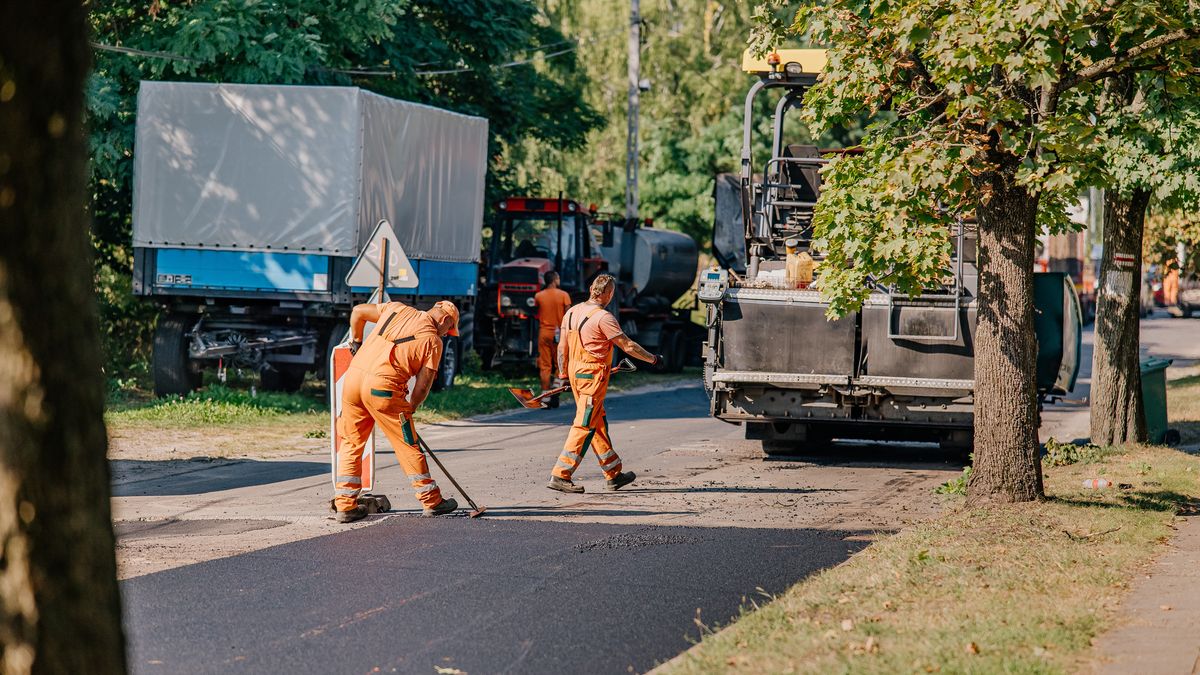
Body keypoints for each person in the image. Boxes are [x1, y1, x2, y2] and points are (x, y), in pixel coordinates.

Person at [333, 299, 460, 523]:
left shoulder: (396, 309)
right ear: (445, 320)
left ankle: (345, 505)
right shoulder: (432, 341)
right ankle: (431, 501)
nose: (447, 334)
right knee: (407, 444)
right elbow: (423, 384)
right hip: (383, 390)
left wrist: (356, 341)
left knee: (352, 442)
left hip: (352, 381)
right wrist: (411, 407)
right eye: (448, 329)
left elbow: (358, 312)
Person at [548, 274, 661, 494]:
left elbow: (562, 348)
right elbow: (628, 346)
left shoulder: (571, 312)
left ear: (591, 288)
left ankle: (613, 474)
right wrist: (653, 359)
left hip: (575, 374)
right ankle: (560, 474)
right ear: (609, 294)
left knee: (597, 422)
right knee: (584, 424)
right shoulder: (603, 318)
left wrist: (563, 374)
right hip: (592, 379)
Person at [533, 270, 572, 408]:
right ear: (555, 279)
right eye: (559, 278)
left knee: (545, 365)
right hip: (559, 334)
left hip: (544, 333)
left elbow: (534, 311)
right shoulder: (564, 295)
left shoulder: (539, 296)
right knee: (561, 364)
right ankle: (556, 388)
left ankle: (545, 397)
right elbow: (569, 315)